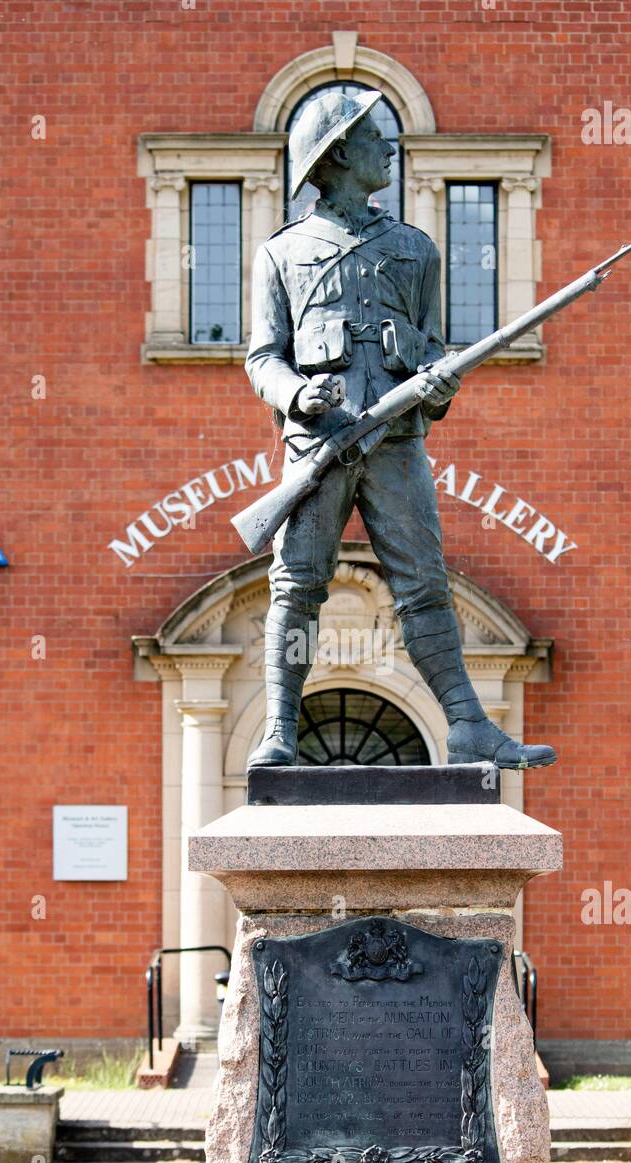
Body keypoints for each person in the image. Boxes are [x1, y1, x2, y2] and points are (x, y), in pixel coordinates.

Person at [245, 88, 556, 771]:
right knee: (296, 585)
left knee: (425, 586)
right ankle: (278, 731)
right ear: (334, 158)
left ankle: (470, 726)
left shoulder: (416, 251)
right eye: (371, 139)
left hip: (396, 444)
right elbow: (263, 356)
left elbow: (432, 347)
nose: (388, 148)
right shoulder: (282, 254)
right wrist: (299, 393)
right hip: (320, 445)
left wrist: (440, 384)